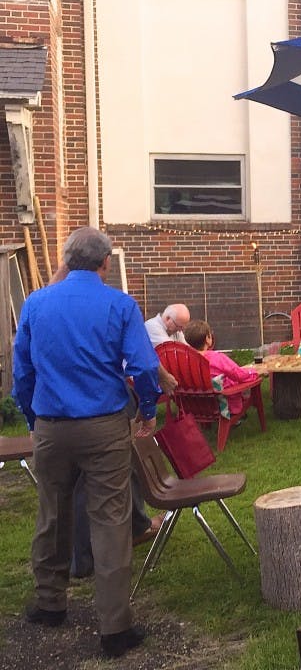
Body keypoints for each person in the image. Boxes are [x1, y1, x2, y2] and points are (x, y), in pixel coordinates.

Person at [12, 227, 161, 658]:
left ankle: (49, 603)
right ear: (106, 262)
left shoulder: (36, 303)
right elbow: (144, 366)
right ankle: (114, 627)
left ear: (65, 259)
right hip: (104, 426)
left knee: (52, 513)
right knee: (110, 521)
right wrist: (148, 408)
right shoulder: (120, 304)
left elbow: (22, 371)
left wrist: (33, 417)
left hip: (52, 425)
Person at [184, 319, 259, 419]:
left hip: (197, 405)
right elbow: (237, 374)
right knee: (237, 382)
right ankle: (237, 415)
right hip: (221, 405)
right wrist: (253, 372)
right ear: (207, 339)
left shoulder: (185, 359)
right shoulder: (217, 358)